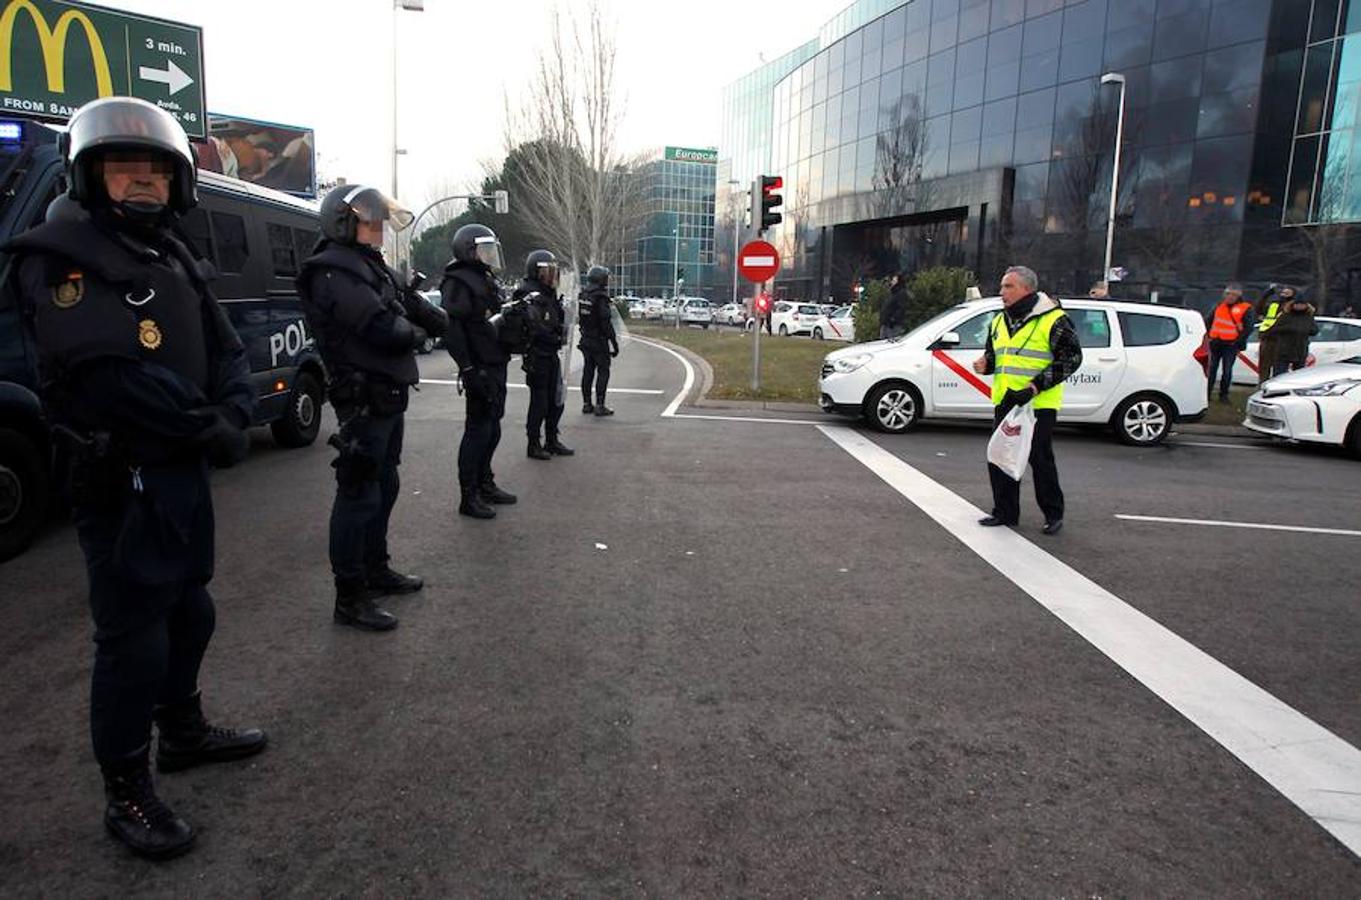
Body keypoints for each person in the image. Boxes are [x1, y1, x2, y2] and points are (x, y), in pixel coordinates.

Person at [1, 97, 267, 860]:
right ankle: (126, 792)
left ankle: (181, 733)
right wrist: (211, 425)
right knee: (133, 643)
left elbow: (227, 349)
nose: (142, 186)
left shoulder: (170, 251)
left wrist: (235, 404)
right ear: (90, 178)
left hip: (179, 477)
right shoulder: (58, 254)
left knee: (192, 615)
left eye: (155, 172)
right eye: (124, 171)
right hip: (120, 482)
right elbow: (107, 376)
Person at [298, 184, 447, 632]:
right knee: (358, 494)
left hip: (386, 393)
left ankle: (375, 569)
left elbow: (408, 304)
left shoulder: (368, 266)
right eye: (369, 221)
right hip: (362, 398)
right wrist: (419, 336)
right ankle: (350, 596)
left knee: (385, 484)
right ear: (343, 223)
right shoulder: (333, 271)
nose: (379, 228)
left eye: (380, 220)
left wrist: (446, 326)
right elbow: (381, 326)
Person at [972, 266, 1084, 536]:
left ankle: (1053, 514)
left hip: (1037, 404)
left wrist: (1035, 387)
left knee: (1039, 458)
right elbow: (996, 353)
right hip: (1005, 399)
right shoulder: (1000, 319)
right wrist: (986, 364)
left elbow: (1071, 358)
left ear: (1026, 289)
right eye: (1001, 287)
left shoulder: (1054, 319)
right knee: (1000, 456)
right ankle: (1005, 512)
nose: (1002, 293)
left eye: (1008, 287)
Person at [441, 223, 518, 519]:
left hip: (495, 361)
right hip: (479, 366)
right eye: (484, 250)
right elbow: (453, 329)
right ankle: (468, 495)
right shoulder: (458, 281)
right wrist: (468, 368)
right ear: (468, 251)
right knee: (478, 430)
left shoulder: (484, 279)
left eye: (491, 250)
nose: (489, 256)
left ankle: (486, 483)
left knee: (493, 427)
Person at [518, 249, 575, 460]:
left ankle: (552, 439)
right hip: (537, 355)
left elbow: (557, 320)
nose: (552, 277)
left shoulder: (549, 294)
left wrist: (566, 323)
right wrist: (554, 336)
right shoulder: (527, 294)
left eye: (554, 272)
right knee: (539, 402)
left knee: (556, 400)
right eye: (547, 272)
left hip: (551, 354)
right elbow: (534, 326)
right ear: (536, 272)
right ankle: (533, 443)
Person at [578, 264, 620, 416]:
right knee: (603, 371)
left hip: (585, 338)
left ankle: (586, 403)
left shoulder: (583, 295)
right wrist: (614, 343)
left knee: (588, 371)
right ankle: (600, 405)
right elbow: (605, 322)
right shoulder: (601, 297)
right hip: (599, 340)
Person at [1204, 283, 1254, 401]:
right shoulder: (1219, 306)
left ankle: (1223, 395)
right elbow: (1209, 321)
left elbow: (1248, 327)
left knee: (1227, 371)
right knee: (1211, 370)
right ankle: (1207, 394)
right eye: (1227, 294)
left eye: (1233, 295)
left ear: (1238, 296)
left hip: (1231, 345)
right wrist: (1209, 337)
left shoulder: (1245, 308)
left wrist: (1237, 342)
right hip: (1215, 342)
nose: (1230, 297)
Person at [1270, 294, 1318, 377]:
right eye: (1297, 304)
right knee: (1279, 374)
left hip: (1300, 350)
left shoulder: (1308, 317)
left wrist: (1305, 330)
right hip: (1284, 350)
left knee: (1298, 375)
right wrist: (1290, 329)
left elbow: (1314, 331)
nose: (1299, 306)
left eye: (1302, 304)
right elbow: (1275, 329)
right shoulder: (1285, 315)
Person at [1256, 284, 1293, 384]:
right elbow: (1259, 309)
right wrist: (1267, 294)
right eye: (1283, 292)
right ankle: (1262, 386)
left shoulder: (1293, 307)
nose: (1284, 294)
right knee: (1264, 368)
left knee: (1279, 369)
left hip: (1282, 341)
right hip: (1267, 338)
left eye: (1287, 293)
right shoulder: (1274, 305)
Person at [879, 272, 910, 339]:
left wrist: (893, 319)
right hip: (887, 323)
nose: (892, 282)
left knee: (890, 342)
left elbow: (901, 308)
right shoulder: (893, 293)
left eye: (894, 281)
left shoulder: (900, 293)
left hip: (893, 325)